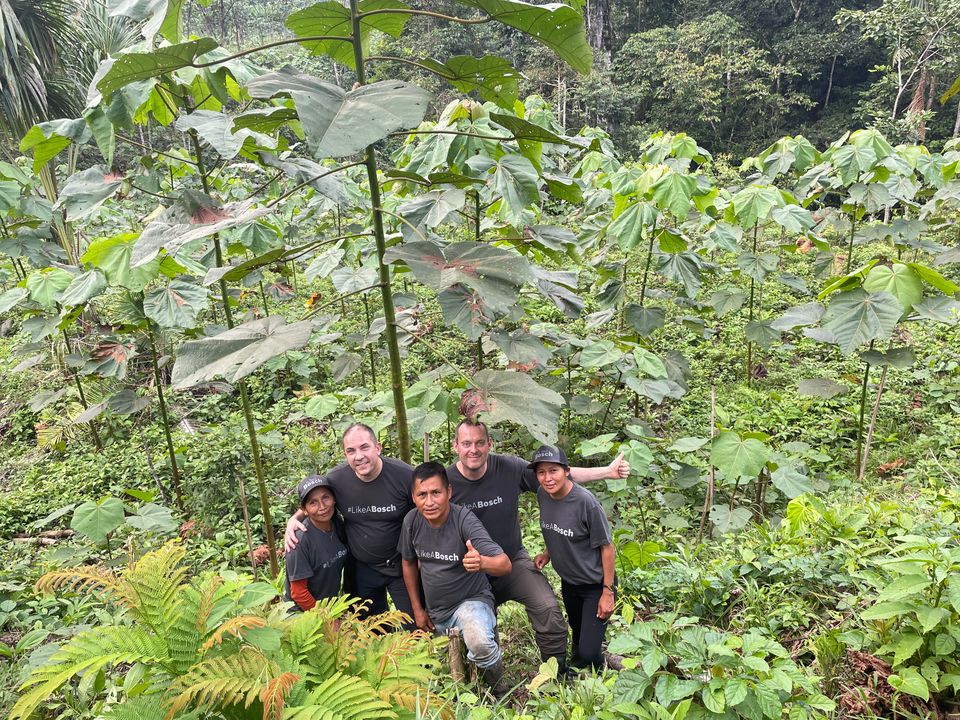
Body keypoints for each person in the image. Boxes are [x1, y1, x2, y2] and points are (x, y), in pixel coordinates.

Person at [445, 419, 629, 670]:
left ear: (490, 444)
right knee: (479, 635)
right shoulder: (445, 483)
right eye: (466, 443)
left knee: (547, 608)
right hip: (471, 569)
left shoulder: (508, 468)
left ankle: (558, 672)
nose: (473, 450)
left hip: (512, 561)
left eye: (479, 443)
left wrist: (607, 471)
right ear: (456, 446)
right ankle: (489, 681)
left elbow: (559, 475)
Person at [398, 461, 513, 695]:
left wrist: (482, 563)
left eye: (436, 493)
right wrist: (417, 608)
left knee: (480, 643)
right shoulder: (412, 521)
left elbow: (505, 564)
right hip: (436, 613)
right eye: (422, 494)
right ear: (413, 497)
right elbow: (408, 562)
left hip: (470, 602)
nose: (429, 502)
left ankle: (499, 689)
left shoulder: (463, 520)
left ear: (448, 492)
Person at [284, 423, 415, 624]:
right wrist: (295, 519)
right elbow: (317, 499)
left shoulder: (404, 475)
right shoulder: (337, 479)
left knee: (415, 628)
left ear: (378, 447)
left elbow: (427, 509)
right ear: (345, 455)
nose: (358, 456)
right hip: (362, 569)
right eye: (351, 451)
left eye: (364, 447)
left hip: (401, 566)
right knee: (371, 633)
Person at [530, 446, 615, 671]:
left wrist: (608, 591)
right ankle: (597, 661)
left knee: (585, 653)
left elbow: (607, 547)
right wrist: (548, 553)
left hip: (595, 583)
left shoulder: (585, 503)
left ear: (567, 471)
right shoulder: (543, 495)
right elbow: (556, 528)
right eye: (541, 472)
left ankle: (587, 672)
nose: (547, 478)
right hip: (570, 582)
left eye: (553, 471)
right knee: (578, 638)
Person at [284, 475, 349, 612]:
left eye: (325, 497)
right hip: (302, 612)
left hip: (329, 607)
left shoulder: (338, 524)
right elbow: (298, 593)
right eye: (313, 502)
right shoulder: (298, 541)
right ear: (305, 509)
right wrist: (326, 620)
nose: (322, 507)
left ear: (334, 498)